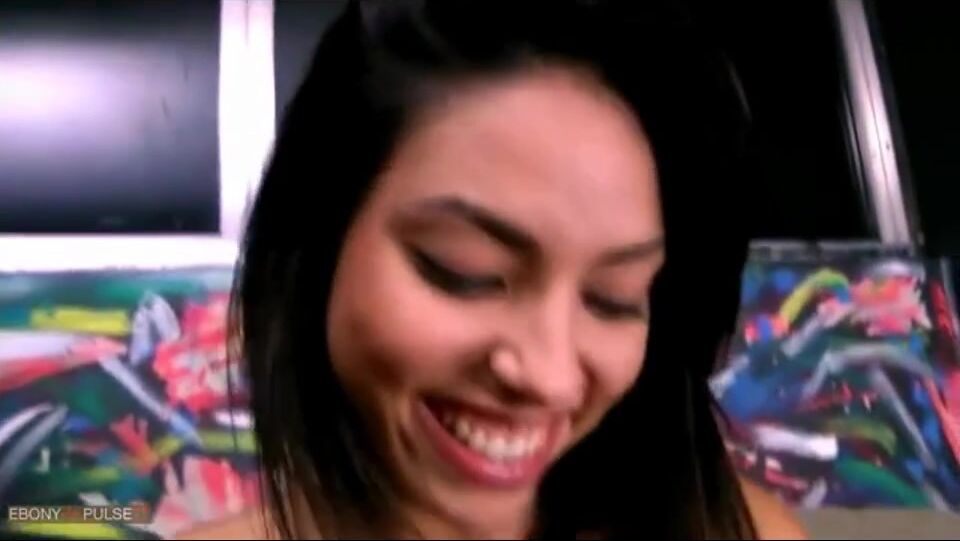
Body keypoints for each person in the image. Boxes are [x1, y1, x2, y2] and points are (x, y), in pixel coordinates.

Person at [182, 0, 806, 538]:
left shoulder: (736, 530)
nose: (551, 378)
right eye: (465, 273)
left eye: (613, 299)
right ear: (319, 242)